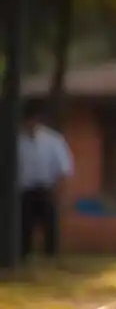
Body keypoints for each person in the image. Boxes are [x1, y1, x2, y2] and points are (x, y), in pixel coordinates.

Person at [18, 100, 73, 260]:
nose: (32, 123)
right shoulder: (15, 141)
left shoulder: (53, 140)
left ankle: (51, 257)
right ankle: (23, 256)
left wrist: (61, 193)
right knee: (24, 227)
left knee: (50, 227)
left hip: (46, 189)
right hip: (23, 191)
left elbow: (63, 169)